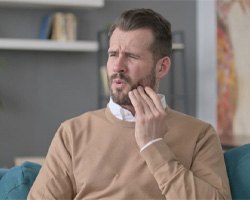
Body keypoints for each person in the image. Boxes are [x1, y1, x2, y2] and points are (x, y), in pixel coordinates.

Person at [28, 8, 231, 199]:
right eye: (113, 54)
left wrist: (153, 146)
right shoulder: (72, 133)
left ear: (162, 67)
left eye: (132, 56)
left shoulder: (199, 135)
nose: (117, 66)